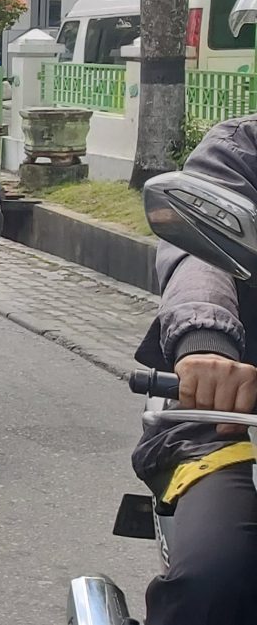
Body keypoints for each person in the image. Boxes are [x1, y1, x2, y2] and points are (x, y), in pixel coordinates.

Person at [132, 115, 257, 625]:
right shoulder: (242, 147)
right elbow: (198, 252)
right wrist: (207, 343)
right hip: (233, 422)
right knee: (216, 578)